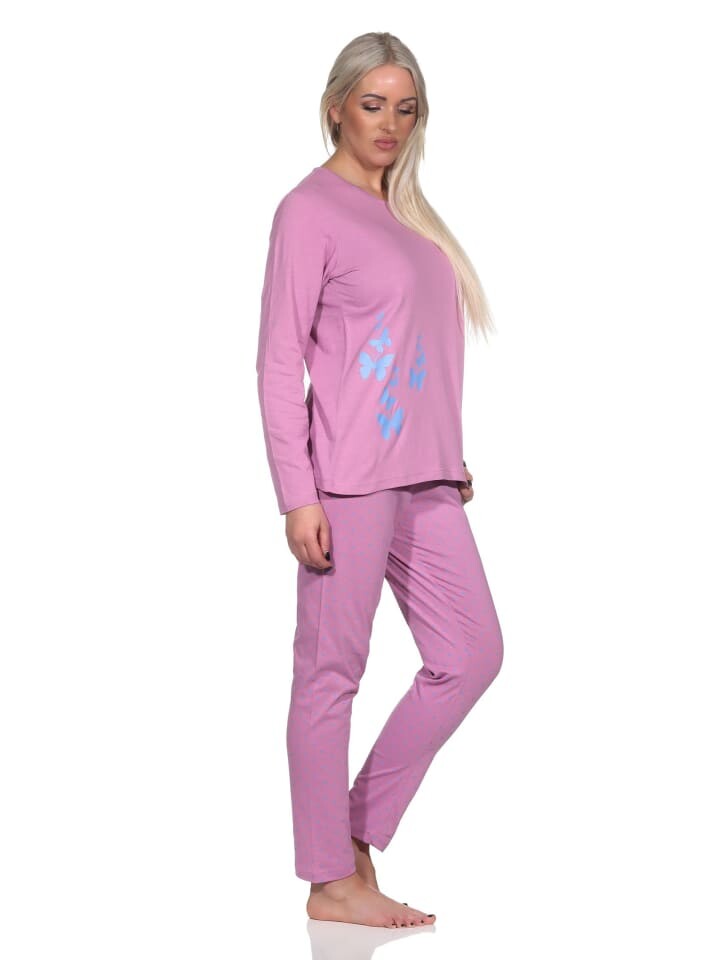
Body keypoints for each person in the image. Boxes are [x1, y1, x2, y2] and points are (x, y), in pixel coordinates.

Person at [255, 31, 504, 929]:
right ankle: (330, 880)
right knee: (331, 674)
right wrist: (297, 495)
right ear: (336, 108)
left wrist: (448, 451)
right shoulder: (308, 210)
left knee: (472, 654)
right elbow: (278, 361)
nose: (389, 123)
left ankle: (355, 829)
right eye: (372, 105)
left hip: (427, 479)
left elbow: (420, 353)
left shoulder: (411, 216)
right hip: (349, 483)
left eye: (406, 108)